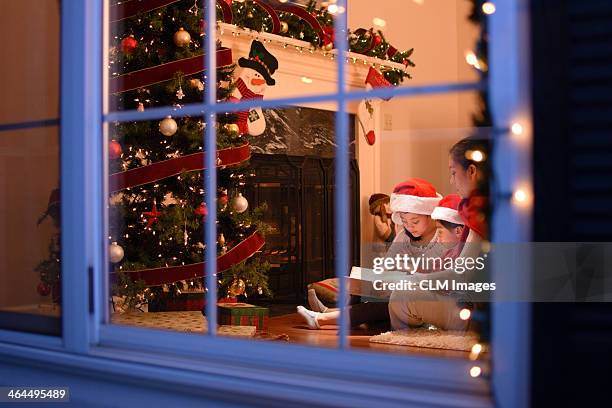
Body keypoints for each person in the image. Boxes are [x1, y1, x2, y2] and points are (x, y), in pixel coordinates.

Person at [298, 178, 444, 329]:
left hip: (425, 301)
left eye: (415, 221)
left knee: (381, 307)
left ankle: (322, 318)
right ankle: (334, 312)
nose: (409, 227)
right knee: (364, 286)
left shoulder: (444, 236)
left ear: (430, 214)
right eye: (404, 221)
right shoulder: (405, 235)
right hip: (403, 293)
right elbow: (388, 265)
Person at [387, 137, 489, 331]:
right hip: (472, 302)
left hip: (474, 312)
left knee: (400, 296)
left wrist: (416, 278)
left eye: (453, 173)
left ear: (472, 171)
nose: (451, 181)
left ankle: (401, 346)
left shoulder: (480, 214)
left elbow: (461, 275)